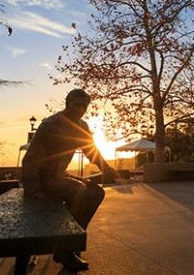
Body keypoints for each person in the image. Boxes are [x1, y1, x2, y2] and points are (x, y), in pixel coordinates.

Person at [22, 88, 117, 272]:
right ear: (67, 104)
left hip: (59, 176)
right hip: (44, 179)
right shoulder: (51, 125)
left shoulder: (82, 126)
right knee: (78, 189)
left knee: (97, 193)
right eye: (76, 105)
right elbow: (31, 158)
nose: (80, 109)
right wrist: (32, 188)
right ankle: (64, 248)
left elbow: (91, 151)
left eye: (84, 106)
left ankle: (72, 241)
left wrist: (107, 168)